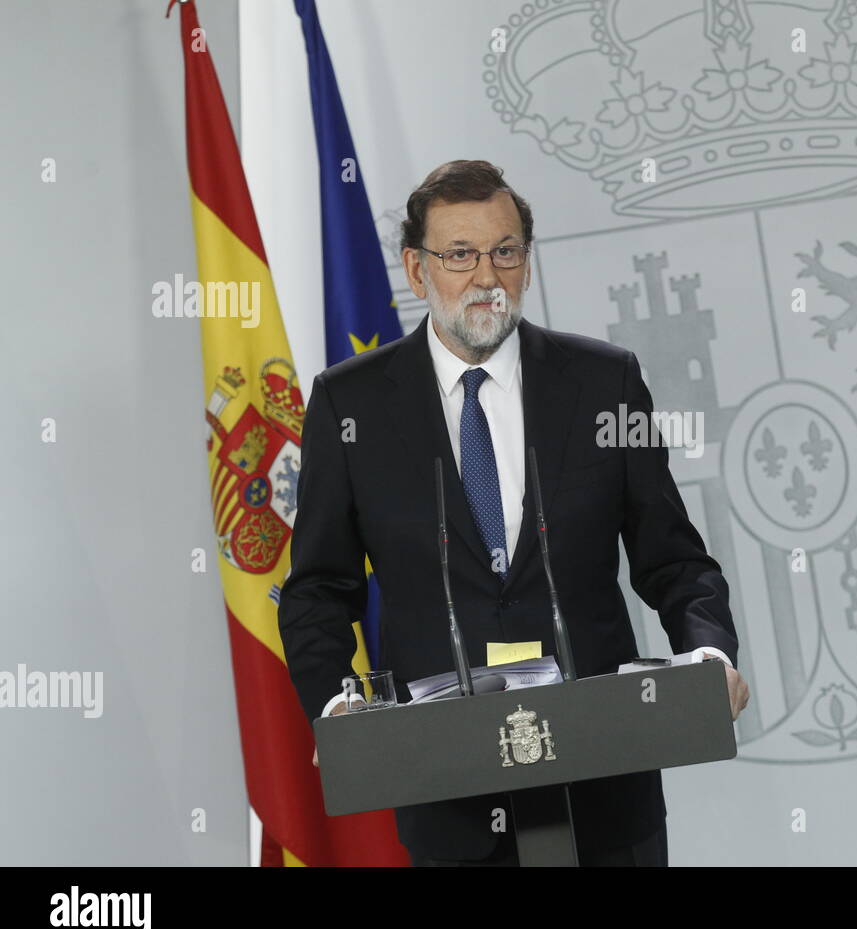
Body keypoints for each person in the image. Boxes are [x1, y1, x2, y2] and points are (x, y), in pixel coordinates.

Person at [278, 159, 749, 866]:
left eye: (504, 252)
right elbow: (318, 588)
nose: (486, 277)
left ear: (525, 262)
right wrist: (337, 706)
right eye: (459, 255)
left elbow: (675, 559)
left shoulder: (604, 382)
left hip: (604, 788)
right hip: (451, 800)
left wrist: (710, 654)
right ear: (416, 269)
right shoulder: (352, 406)